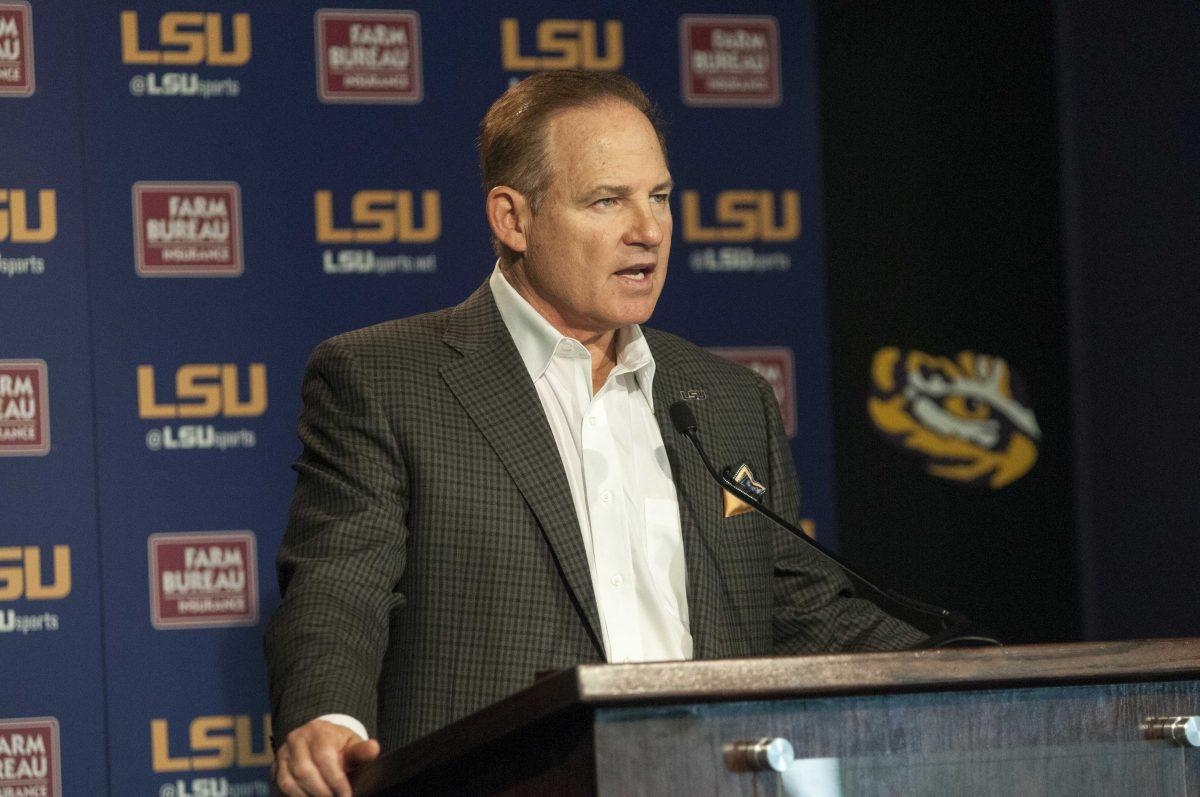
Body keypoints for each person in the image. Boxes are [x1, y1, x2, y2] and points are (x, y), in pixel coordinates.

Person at [265, 70, 923, 797]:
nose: (648, 228)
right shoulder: (387, 379)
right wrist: (329, 716)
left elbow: (803, 615)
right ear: (513, 219)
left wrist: (989, 674)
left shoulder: (730, 401)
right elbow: (340, 586)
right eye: (607, 200)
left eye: (660, 196)